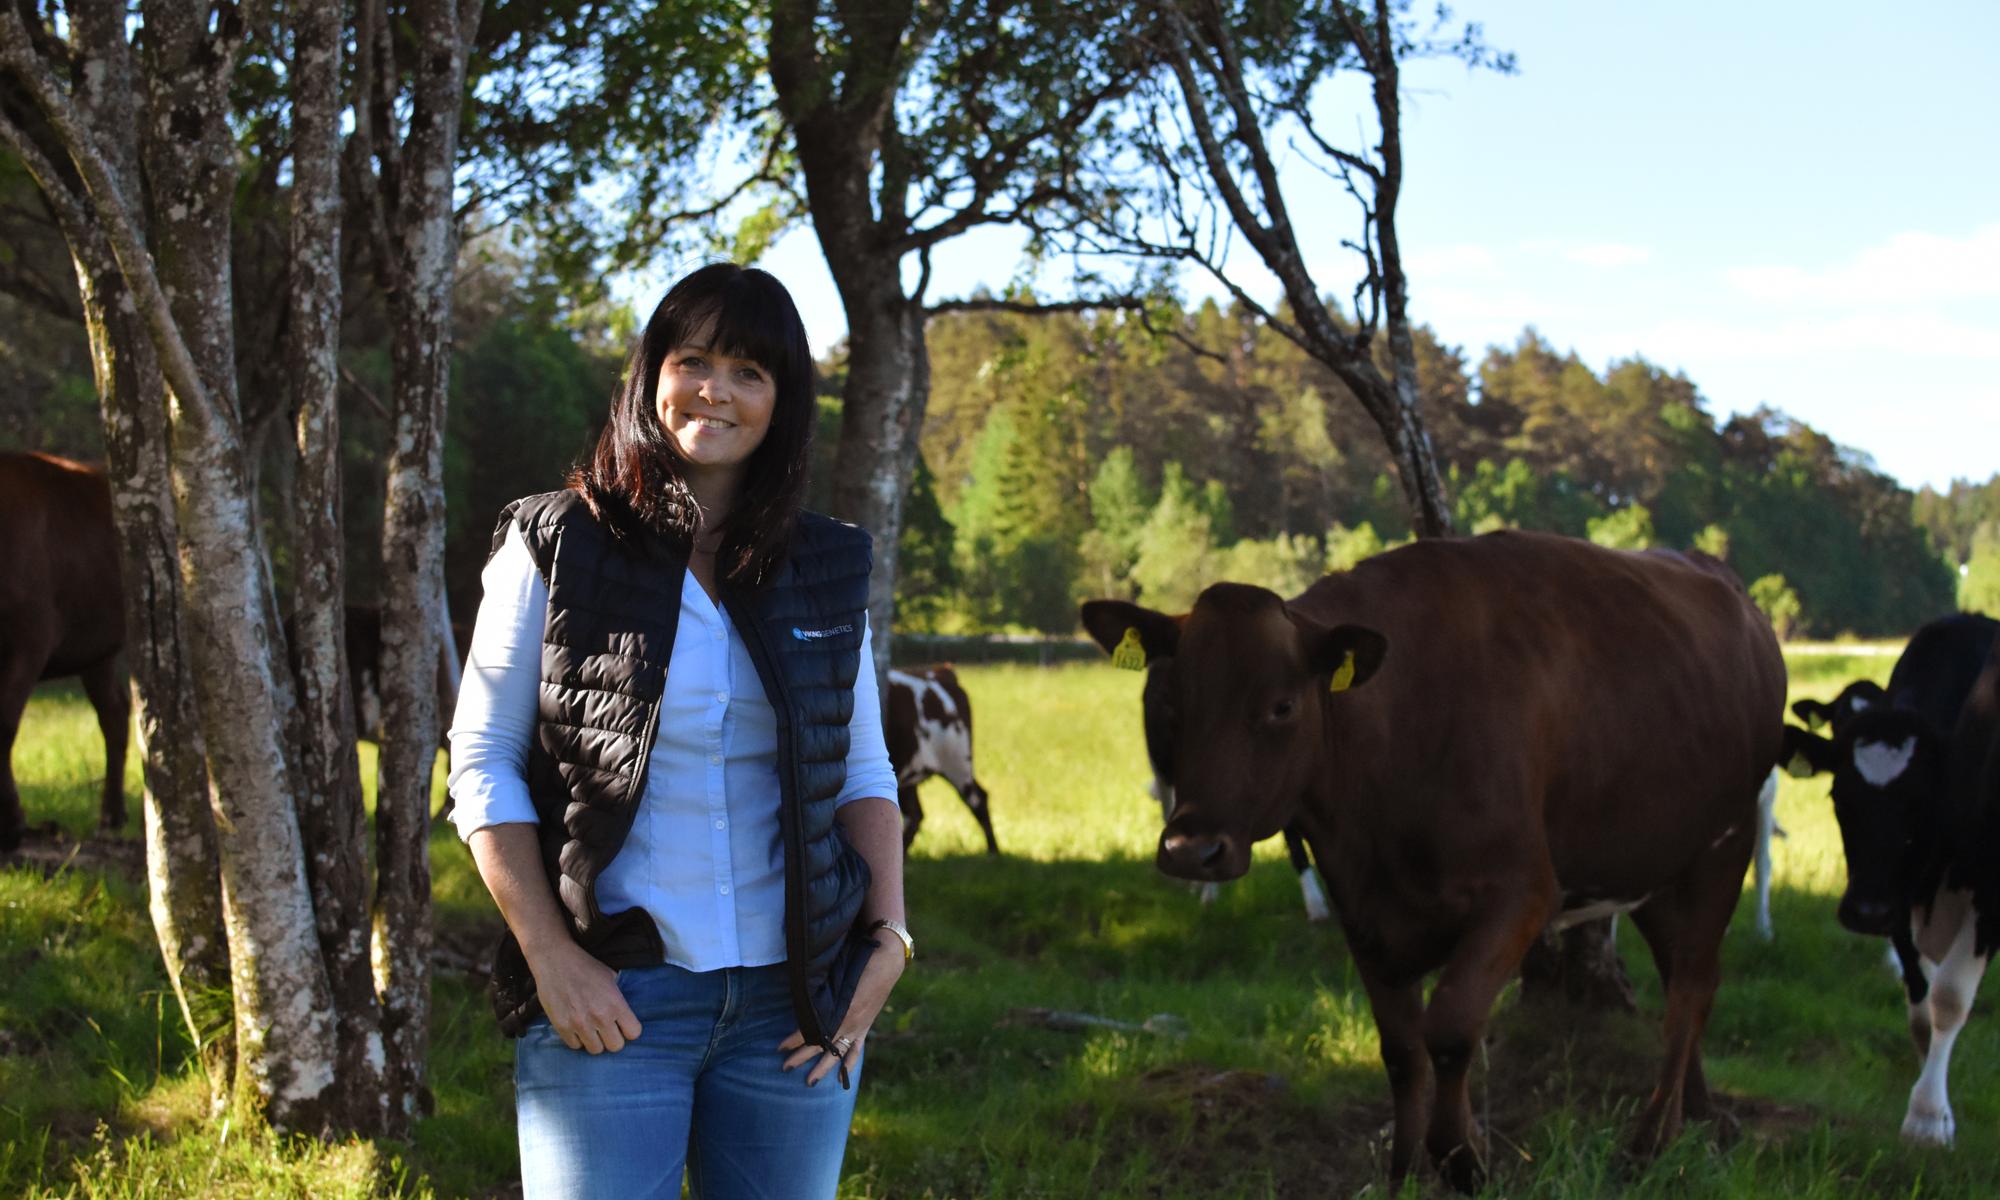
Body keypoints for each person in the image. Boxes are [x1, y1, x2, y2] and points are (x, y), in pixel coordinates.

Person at [446, 262, 908, 1199]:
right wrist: (551, 958)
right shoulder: (557, 541)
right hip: (613, 995)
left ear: (783, 400)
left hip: (797, 1007)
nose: (716, 391)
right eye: (693, 359)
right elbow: (482, 768)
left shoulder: (826, 562)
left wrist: (889, 942)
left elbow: (861, 772)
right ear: (651, 374)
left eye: (749, 371)